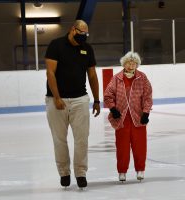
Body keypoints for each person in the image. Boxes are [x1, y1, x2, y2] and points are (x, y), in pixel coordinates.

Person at [45, 20, 100, 188]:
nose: (83, 36)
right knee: (59, 139)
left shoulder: (87, 49)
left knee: (82, 139)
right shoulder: (56, 45)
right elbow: (50, 73)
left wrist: (97, 100)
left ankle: (81, 173)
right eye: (81, 33)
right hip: (56, 100)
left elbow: (92, 75)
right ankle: (64, 172)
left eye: (86, 34)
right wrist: (57, 97)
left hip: (80, 100)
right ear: (72, 29)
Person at [104, 51, 152, 182]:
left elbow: (148, 97)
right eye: (129, 62)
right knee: (122, 147)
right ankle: (122, 172)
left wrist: (146, 112)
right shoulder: (117, 78)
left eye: (134, 63)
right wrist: (113, 109)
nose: (131, 65)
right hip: (121, 118)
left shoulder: (142, 78)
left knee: (140, 146)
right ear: (124, 64)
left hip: (138, 117)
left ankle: (140, 170)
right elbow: (108, 95)